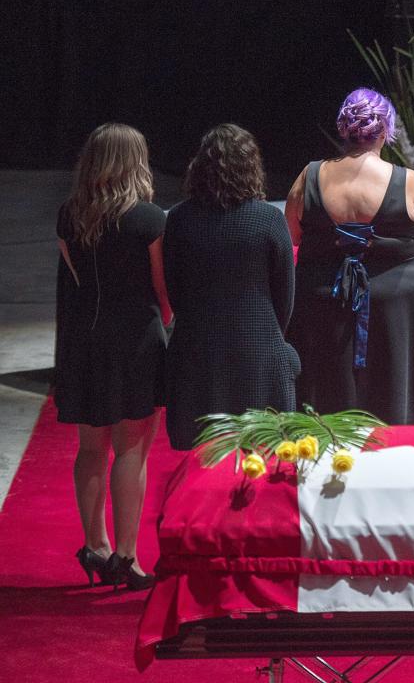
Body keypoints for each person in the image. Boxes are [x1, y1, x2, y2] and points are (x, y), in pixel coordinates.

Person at [285, 87, 414, 424]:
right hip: (396, 306)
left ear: (344, 127)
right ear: (386, 130)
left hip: (324, 301)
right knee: (394, 400)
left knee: (327, 396)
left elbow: (292, 234)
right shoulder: (407, 181)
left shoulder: (309, 175)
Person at [55, 123, 171, 591]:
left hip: (83, 342)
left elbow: (75, 282)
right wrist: (163, 320)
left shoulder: (68, 216)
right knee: (131, 449)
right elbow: (163, 293)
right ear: (135, 162)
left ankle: (95, 547)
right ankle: (127, 557)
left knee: (90, 448)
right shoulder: (148, 219)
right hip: (135, 342)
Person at [164, 124, 299, 450]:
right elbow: (286, 296)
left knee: (202, 460)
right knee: (260, 458)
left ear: (200, 165)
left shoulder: (180, 219)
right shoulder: (269, 220)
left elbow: (174, 288)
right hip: (260, 354)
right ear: (252, 167)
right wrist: (269, 335)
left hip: (197, 352)